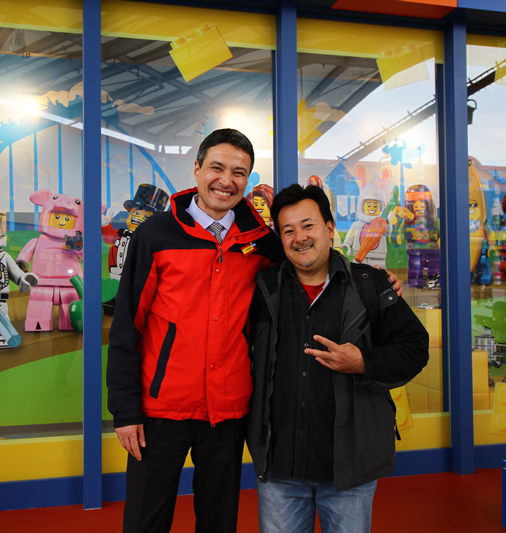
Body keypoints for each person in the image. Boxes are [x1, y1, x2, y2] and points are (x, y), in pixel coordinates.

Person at [106, 128, 282, 533]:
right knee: (145, 523)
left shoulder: (259, 242)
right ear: (197, 169)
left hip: (228, 410)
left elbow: (310, 265)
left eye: (239, 172)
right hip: (160, 409)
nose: (226, 180)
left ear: (247, 180)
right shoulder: (156, 234)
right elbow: (127, 327)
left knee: (219, 523)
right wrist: (126, 411)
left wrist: (371, 281)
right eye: (217, 168)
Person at [247, 184, 429, 533]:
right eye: (288, 230)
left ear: (330, 229)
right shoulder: (263, 288)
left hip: (349, 469)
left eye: (308, 225)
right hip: (279, 466)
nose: (300, 238)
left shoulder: (370, 285)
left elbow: (414, 347)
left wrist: (364, 362)